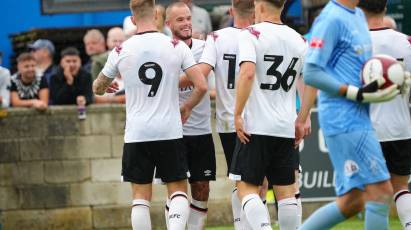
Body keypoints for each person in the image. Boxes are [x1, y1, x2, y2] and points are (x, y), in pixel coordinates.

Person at [92, 0, 208, 229]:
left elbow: (97, 88)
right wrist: (187, 107)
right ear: (156, 15)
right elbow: (202, 85)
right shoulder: (176, 46)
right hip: (169, 129)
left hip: (137, 133)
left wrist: (106, 86)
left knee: (140, 198)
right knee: (177, 192)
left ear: (133, 20)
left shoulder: (120, 50)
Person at [295, 0, 407, 229]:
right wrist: (353, 92)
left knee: (353, 201)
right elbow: (312, 72)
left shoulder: (356, 16)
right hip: (343, 118)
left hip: (360, 117)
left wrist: (393, 82)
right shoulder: (331, 18)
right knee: (381, 191)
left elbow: (365, 70)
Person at [229, 0, 307, 229]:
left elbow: (247, 73)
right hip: (286, 126)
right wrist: (303, 118)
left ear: (259, 6)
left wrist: (237, 114)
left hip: (255, 126)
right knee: (286, 193)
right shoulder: (299, 39)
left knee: (247, 189)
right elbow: (310, 82)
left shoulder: (250, 34)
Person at [196, 0, 255, 228]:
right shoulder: (262, 35)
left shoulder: (217, 38)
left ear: (231, 11)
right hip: (259, 119)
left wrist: (170, 83)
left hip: (229, 121)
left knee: (239, 180)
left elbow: (201, 73)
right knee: (258, 181)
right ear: (256, 9)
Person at [161, 3, 216, 229]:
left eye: (188, 18)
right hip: (171, 131)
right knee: (176, 191)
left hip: (201, 130)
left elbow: (199, 80)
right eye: (180, 20)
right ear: (168, 24)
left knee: (202, 189)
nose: (186, 24)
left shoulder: (205, 47)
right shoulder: (162, 49)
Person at [358, 0, 411, 229]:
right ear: (385, 9)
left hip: (367, 131)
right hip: (401, 127)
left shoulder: (353, 45)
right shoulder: (406, 42)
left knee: (374, 192)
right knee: (401, 187)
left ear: (359, 10)